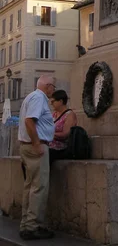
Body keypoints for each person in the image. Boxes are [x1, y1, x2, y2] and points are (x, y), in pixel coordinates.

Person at [18, 75, 56, 240]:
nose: (53, 90)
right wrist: (36, 143)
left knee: (30, 187)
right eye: (53, 86)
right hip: (35, 146)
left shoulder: (31, 97)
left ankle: (26, 224)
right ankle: (33, 226)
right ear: (47, 86)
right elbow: (29, 121)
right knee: (39, 187)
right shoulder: (39, 98)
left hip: (27, 147)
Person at [49, 90, 77, 165]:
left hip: (60, 148)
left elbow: (66, 134)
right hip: (49, 145)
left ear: (61, 101)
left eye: (53, 101)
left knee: (46, 155)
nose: (51, 104)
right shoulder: (54, 115)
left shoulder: (69, 115)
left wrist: (50, 134)